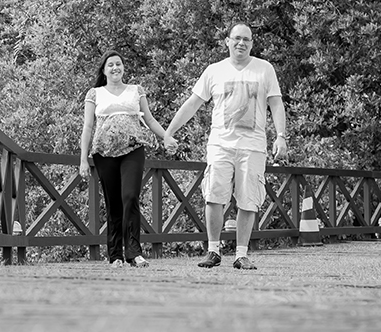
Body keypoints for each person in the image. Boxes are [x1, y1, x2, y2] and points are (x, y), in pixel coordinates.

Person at [163, 23, 288, 270]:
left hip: (252, 146)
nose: (241, 43)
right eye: (237, 38)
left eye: (247, 40)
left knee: (248, 200)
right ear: (227, 41)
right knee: (214, 196)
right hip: (220, 144)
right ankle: (213, 250)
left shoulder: (264, 69)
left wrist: (281, 136)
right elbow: (192, 104)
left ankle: (241, 254)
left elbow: (276, 104)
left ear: (252, 43)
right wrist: (169, 132)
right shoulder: (214, 71)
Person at [79, 50, 178, 267]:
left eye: (119, 64)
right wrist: (83, 159)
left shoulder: (136, 90)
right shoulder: (94, 94)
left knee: (130, 197)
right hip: (104, 153)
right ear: (104, 71)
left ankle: (134, 253)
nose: (115, 68)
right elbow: (87, 127)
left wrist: (166, 137)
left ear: (123, 68)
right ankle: (115, 255)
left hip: (133, 150)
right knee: (113, 203)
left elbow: (150, 119)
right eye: (110, 65)